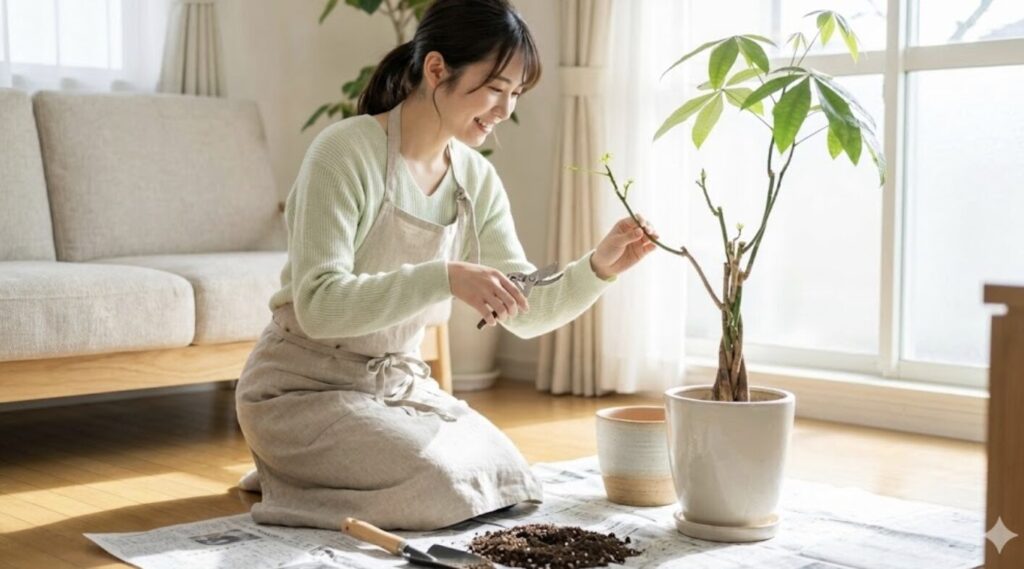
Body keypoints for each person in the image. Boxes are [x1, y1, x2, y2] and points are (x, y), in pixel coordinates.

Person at [235, 0, 659, 531]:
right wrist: (445, 276)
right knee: (443, 490)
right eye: (496, 88)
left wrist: (597, 268)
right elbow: (318, 307)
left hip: (397, 388)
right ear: (436, 69)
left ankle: (320, 469)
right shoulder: (343, 152)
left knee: (509, 481)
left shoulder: (475, 178)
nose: (505, 109)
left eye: (516, 94)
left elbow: (522, 310)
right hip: (300, 391)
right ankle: (292, 475)